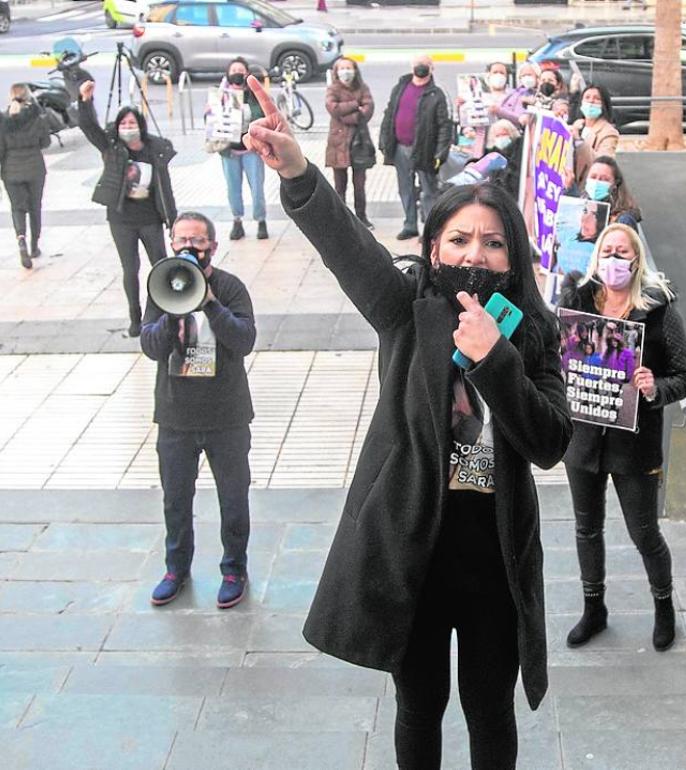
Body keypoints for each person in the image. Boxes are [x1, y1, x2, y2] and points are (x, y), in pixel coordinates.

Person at [243, 75, 572, 769]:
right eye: (458, 240)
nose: (473, 256)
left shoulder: (534, 332)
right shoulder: (405, 310)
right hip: (411, 551)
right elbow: (348, 246)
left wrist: (496, 363)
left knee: (490, 712)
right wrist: (300, 172)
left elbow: (549, 442)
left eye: (491, 243)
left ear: (513, 257)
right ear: (433, 249)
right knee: (418, 709)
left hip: (494, 557)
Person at [559, 223, 686, 652]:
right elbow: (554, 354)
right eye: (608, 251)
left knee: (644, 532)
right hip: (582, 438)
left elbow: (684, 377)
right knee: (586, 528)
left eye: (623, 252)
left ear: (636, 261)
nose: (614, 259)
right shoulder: (577, 300)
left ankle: (663, 606)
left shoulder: (658, 310)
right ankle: (593, 607)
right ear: (597, 256)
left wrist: (656, 388)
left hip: (634, 443)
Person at [139, 211, 257, 610]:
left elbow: (244, 341)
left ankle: (233, 569)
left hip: (227, 416)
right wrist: (175, 309)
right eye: (181, 241)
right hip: (176, 418)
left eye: (198, 241)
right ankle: (175, 569)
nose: (189, 248)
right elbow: (150, 346)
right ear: (171, 245)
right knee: (175, 499)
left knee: (233, 499)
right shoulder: (162, 286)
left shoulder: (230, 287)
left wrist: (209, 305)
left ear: (212, 246)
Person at [78, 79, 177, 338]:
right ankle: (135, 316)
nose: (128, 128)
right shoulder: (113, 149)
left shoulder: (155, 150)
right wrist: (85, 101)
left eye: (132, 123)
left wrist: (173, 220)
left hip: (150, 218)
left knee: (160, 264)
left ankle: (165, 311)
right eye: (124, 124)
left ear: (140, 126)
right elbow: (89, 128)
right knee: (130, 268)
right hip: (121, 219)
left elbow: (165, 189)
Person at [380, 53, 453, 241]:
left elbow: (444, 125)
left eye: (425, 64)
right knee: (405, 188)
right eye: (418, 64)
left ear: (432, 68)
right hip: (400, 147)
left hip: (425, 150)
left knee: (429, 191)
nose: (421, 67)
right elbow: (389, 113)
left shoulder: (436, 94)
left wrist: (440, 152)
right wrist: (384, 140)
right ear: (411, 66)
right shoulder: (400, 87)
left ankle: (430, 230)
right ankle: (410, 225)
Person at [216, 58, 269, 241]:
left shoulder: (254, 94)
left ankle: (261, 219)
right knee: (233, 187)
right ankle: (237, 219)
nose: (237, 73)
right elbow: (212, 122)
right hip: (229, 151)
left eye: (241, 70)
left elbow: (262, 116)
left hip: (251, 150)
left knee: (257, 187)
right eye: (234, 70)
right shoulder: (220, 96)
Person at [0, 84, 52, 269]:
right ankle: (34, 246)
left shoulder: (3, 119)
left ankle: (21, 239)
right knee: (35, 207)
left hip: (11, 171)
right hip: (35, 168)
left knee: (17, 208)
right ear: (28, 97)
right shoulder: (37, 116)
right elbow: (46, 142)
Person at [324, 56, 376, 229]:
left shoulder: (363, 88)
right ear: (336, 72)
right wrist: (355, 105)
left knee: (359, 184)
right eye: (342, 68)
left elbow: (367, 111)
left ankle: (362, 216)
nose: (346, 71)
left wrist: (351, 111)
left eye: (349, 67)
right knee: (340, 185)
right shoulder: (333, 89)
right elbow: (334, 109)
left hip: (359, 142)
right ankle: (341, 220)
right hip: (338, 143)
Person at [570, 85, 620, 183]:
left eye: (596, 98)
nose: (591, 101)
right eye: (587, 97)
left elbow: (604, 162)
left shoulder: (608, 132)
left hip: (585, 185)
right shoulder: (577, 125)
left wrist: (580, 142)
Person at [582, 156, 642, 230]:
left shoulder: (623, 220)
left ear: (615, 185)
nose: (597, 182)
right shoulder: (581, 209)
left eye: (604, 179)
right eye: (593, 177)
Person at [496, 62, 539, 128]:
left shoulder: (539, 94)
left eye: (529, 75)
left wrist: (500, 111)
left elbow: (523, 119)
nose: (526, 78)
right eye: (523, 76)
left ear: (537, 76)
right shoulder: (513, 93)